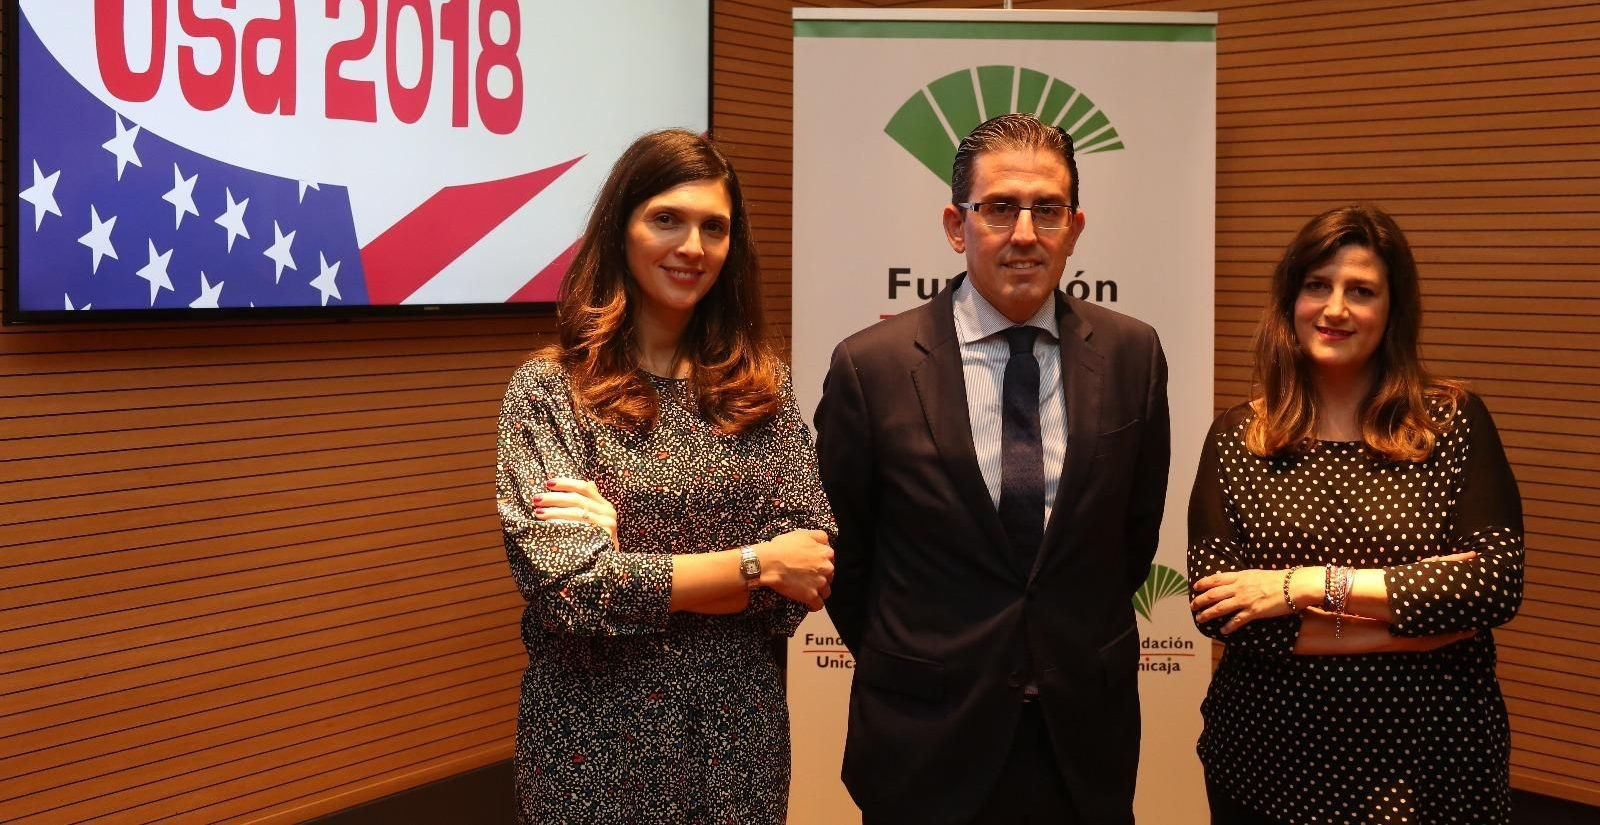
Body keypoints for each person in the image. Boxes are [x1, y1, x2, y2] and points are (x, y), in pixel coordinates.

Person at [815, 114, 1171, 825]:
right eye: (1000, 208)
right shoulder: (872, 367)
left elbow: (1132, 536)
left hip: (1080, 741)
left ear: (1074, 227)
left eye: (1049, 210)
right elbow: (846, 559)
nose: (1025, 234)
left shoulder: (1133, 354)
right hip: (927, 741)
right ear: (958, 225)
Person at [495, 129, 836, 825]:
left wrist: (626, 560)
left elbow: (804, 578)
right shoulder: (549, 392)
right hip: (593, 742)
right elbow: (572, 594)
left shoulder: (761, 390)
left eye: (715, 227)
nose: (693, 247)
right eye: (667, 219)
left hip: (738, 741)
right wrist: (755, 563)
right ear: (621, 228)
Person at [1187, 203, 1524, 825]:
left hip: (1433, 769)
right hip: (1265, 765)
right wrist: (1424, 625)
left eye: (1361, 291)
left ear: (1393, 308)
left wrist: (1301, 587)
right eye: (1318, 285)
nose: (1335, 309)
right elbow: (1224, 611)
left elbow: (1491, 587)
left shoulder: (1451, 422)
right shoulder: (1238, 436)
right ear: (1291, 299)